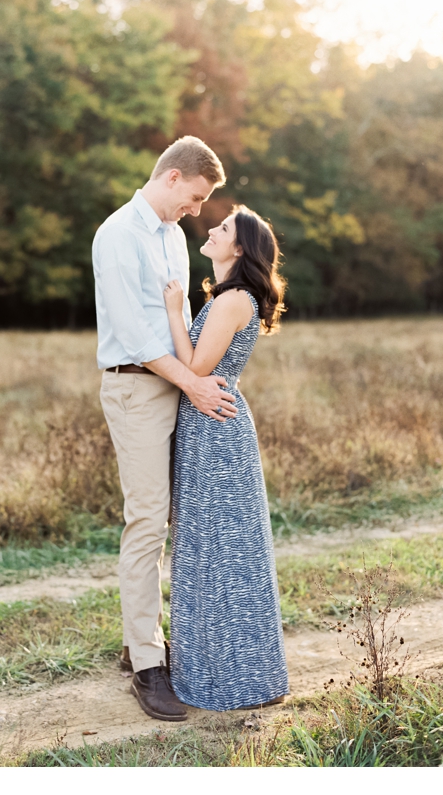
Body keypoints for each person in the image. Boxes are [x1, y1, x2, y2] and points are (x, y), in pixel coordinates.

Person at [93, 135, 237, 722]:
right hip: (136, 387)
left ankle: (140, 641)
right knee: (147, 520)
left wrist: (197, 378)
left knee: (172, 519)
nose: (197, 210)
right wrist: (195, 384)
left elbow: (177, 323)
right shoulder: (117, 235)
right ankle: (149, 666)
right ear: (173, 178)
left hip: (177, 384)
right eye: (196, 196)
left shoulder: (174, 238)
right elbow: (136, 335)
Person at [162, 205, 290, 710]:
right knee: (210, 547)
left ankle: (237, 676)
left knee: (226, 552)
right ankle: (216, 666)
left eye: (223, 229)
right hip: (207, 424)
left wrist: (176, 311)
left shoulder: (234, 299)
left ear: (238, 249)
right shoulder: (228, 298)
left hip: (216, 430)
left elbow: (195, 366)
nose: (212, 230)